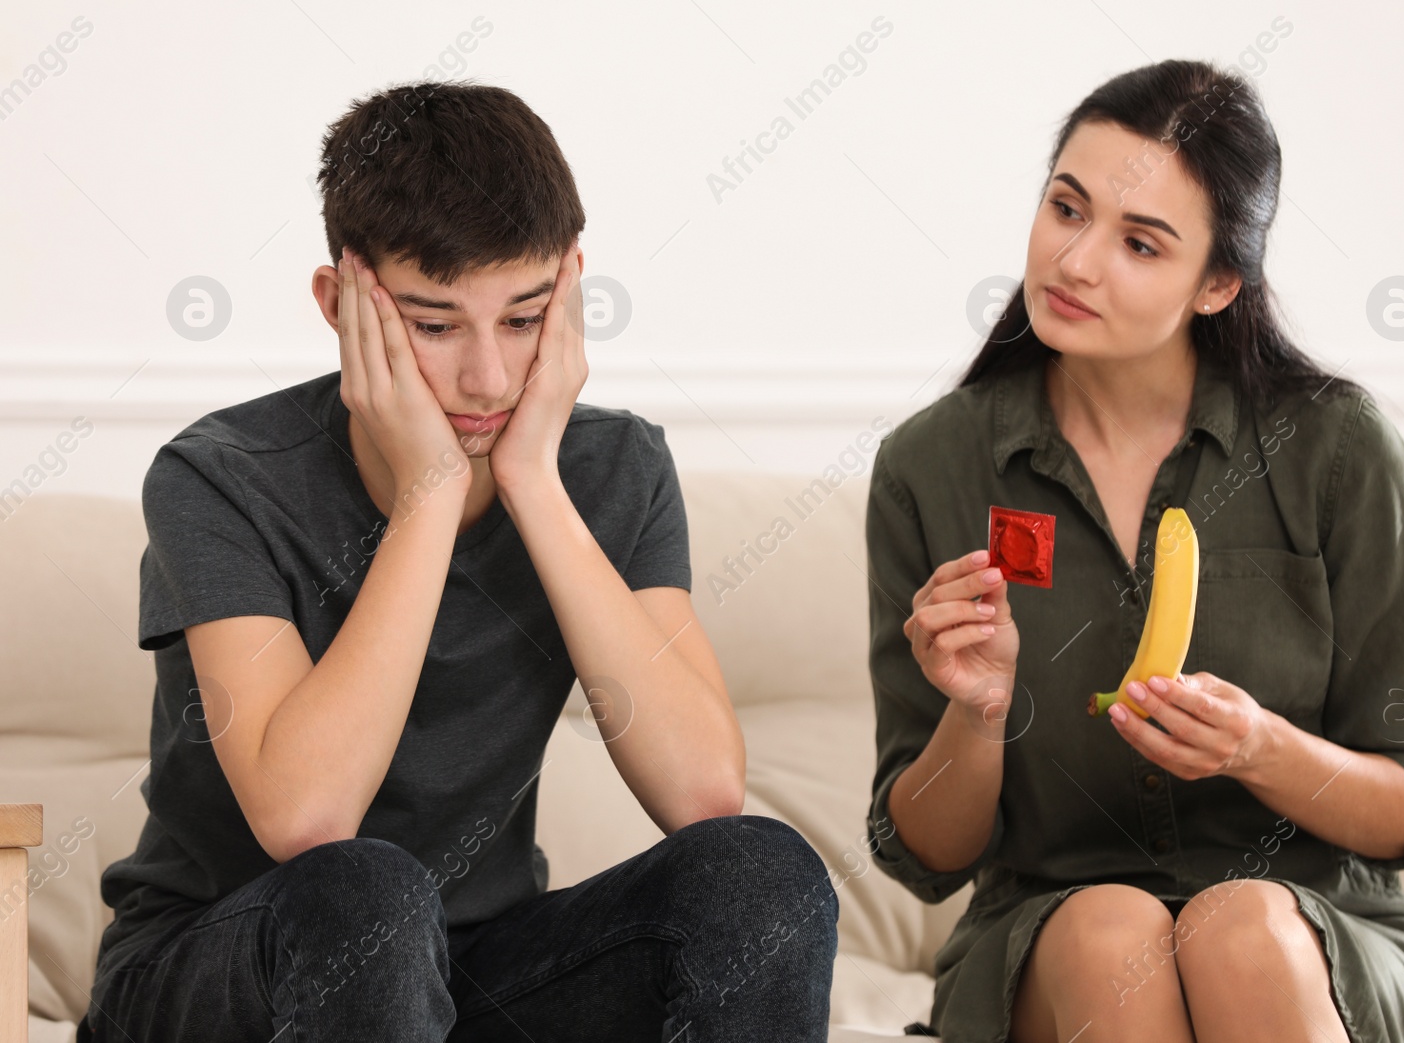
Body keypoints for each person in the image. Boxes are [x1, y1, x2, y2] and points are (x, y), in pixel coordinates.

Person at [79, 80, 837, 1041]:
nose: (486, 376)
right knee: (367, 893)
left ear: (570, 294)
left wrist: (533, 480)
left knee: (762, 871)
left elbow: (703, 796)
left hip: (473, 970)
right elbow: (308, 821)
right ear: (340, 302)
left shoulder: (613, 468)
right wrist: (429, 492)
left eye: (523, 320)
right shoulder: (218, 479)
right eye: (434, 326)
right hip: (224, 968)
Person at [863, 59, 1404, 1043]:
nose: (1074, 261)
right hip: (1049, 937)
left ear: (1217, 284)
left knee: (1237, 926)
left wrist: (1259, 749)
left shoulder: (1335, 447)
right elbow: (925, 855)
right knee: (1115, 933)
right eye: (1065, 208)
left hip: (1319, 930)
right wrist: (974, 713)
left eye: (1139, 243)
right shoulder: (928, 466)